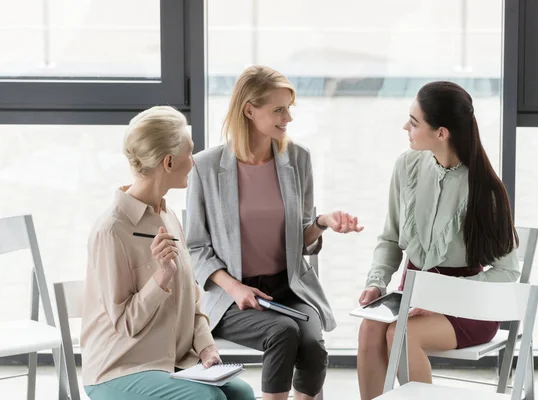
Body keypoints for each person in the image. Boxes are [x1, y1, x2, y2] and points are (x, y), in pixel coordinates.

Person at [186, 65, 363, 400]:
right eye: (279, 109)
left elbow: (300, 237)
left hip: (289, 288)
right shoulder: (205, 167)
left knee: (312, 346)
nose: (288, 118)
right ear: (249, 110)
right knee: (284, 333)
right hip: (232, 299)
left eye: (289, 108)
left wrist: (323, 222)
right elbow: (195, 247)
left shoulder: (297, 158)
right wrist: (235, 287)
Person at [356, 81, 521, 399]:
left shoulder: (485, 190)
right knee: (369, 329)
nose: (406, 127)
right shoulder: (407, 166)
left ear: (441, 132)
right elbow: (390, 238)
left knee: (399, 334)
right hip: (412, 296)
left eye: (414, 122)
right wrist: (377, 283)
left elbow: (507, 272)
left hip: (467, 305)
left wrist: (442, 300)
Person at [80, 106, 255, 400]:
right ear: (169, 161)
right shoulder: (111, 230)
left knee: (241, 393)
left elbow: (193, 299)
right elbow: (125, 324)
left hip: (171, 362)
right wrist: (162, 277)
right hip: (118, 368)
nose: (194, 162)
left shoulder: (168, 215)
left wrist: (206, 346)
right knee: (208, 399)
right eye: (190, 152)